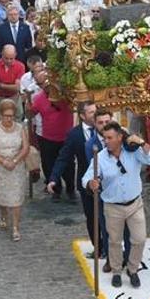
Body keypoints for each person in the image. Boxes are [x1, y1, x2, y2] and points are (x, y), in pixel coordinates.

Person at [82, 121, 150, 288]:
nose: (106, 141)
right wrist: (91, 184)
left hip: (135, 204)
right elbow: (86, 178)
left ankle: (132, 269)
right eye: (105, 138)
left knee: (139, 239)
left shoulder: (133, 152)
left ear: (119, 137)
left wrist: (142, 143)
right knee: (115, 241)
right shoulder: (100, 158)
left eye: (110, 138)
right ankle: (117, 271)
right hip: (113, 207)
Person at [47, 102, 100, 246]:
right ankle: (98, 247)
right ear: (82, 116)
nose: (95, 115)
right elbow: (64, 157)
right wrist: (54, 178)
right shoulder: (74, 134)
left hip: (106, 181)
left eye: (96, 111)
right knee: (91, 217)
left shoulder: (104, 128)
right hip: (85, 182)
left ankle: (109, 247)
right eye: (91, 112)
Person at [0, 99, 30, 242]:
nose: (8, 119)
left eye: (11, 116)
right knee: (3, 196)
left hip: (17, 166)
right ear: (1, 115)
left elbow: (25, 147)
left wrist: (16, 160)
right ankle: (4, 214)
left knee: (16, 197)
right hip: (1, 166)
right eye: (6, 116)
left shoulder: (20, 128)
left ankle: (15, 227)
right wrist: (3, 161)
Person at [30, 72, 76, 201]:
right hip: (47, 138)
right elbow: (32, 113)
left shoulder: (66, 96)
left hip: (66, 138)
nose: (45, 85)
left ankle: (71, 190)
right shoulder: (39, 98)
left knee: (69, 166)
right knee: (49, 165)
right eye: (42, 83)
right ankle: (56, 190)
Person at [0, 44, 26, 125]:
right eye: (6, 58)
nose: (9, 61)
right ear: (2, 54)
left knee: (16, 123)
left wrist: (1, 85)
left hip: (14, 98)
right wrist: (10, 86)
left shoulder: (20, 66)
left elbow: (17, 88)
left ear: (15, 55)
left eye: (11, 59)